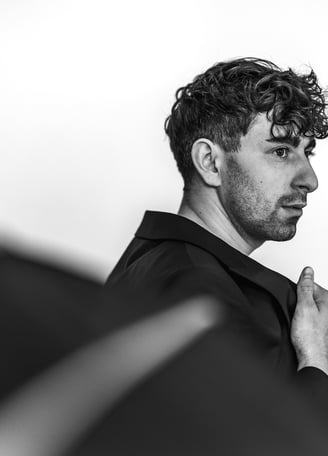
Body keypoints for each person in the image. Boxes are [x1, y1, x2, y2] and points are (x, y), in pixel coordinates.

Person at [105, 57, 328, 402]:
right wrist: (316, 362)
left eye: (307, 152)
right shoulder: (197, 290)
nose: (309, 180)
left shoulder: (164, 265)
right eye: (281, 151)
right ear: (210, 162)